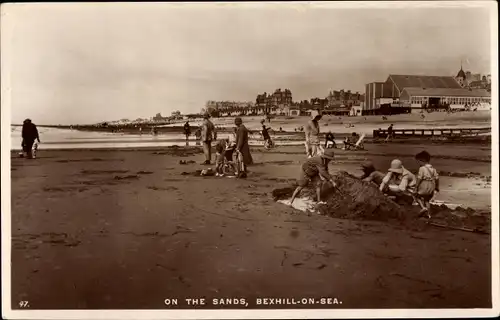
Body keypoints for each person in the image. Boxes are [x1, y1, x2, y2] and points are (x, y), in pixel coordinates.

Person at [414, 151, 440, 218]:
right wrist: (437, 187)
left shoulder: (422, 168)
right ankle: (429, 215)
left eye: (418, 161)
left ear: (422, 160)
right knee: (427, 200)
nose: (418, 163)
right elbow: (437, 179)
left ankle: (423, 208)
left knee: (416, 196)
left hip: (424, 185)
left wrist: (416, 187)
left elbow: (419, 179)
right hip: (431, 186)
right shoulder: (433, 169)